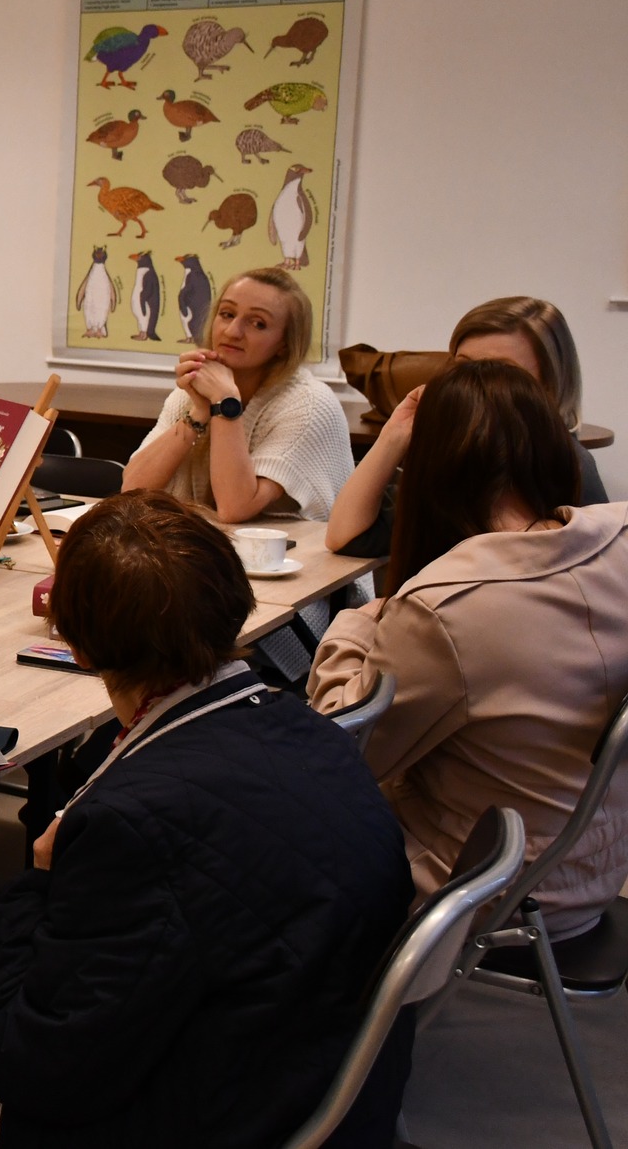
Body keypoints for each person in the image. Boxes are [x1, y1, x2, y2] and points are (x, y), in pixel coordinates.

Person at [0, 491, 411, 1149]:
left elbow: (38, 1071)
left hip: (208, 1107)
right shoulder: (306, 728)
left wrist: (39, 882)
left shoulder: (132, 819)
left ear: (77, 641)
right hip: (305, 1057)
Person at [310, 360, 628, 938]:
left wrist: (356, 624)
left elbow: (344, 753)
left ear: (427, 471)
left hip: (486, 889)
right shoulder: (618, 538)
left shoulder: (448, 606)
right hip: (596, 868)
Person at [327, 295, 607, 554]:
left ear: (547, 385)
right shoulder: (456, 454)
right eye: (463, 367)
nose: (475, 386)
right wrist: (395, 434)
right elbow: (344, 536)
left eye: (500, 372)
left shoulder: (571, 465)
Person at [123, 266, 352, 522]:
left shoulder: (310, 405)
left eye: (258, 324)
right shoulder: (196, 390)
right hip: (216, 550)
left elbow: (234, 507)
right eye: (227, 314)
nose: (232, 331)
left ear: (284, 343)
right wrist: (199, 412)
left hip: (298, 557)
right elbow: (132, 490)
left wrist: (224, 403)